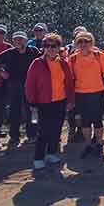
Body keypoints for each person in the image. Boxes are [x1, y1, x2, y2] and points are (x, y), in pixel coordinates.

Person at [25, 33, 75, 170]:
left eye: (54, 46)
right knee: (43, 131)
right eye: (47, 46)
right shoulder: (37, 63)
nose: (51, 48)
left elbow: (69, 84)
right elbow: (30, 85)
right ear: (43, 48)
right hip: (43, 102)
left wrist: (70, 100)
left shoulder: (63, 63)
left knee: (56, 129)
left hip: (60, 101)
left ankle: (51, 153)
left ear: (59, 47)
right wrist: (32, 102)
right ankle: (38, 157)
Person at [68, 31, 104, 159]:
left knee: (97, 120)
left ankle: (99, 144)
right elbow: (70, 78)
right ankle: (88, 145)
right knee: (84, 121)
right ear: (76, 43)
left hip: (97, 92)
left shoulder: (99, 55)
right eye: (80, 41)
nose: (84, 44)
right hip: (80, 93)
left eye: (87, 41)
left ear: (92, 42)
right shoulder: (73, 58)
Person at [0, 31, 40, 147]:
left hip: (30, 85)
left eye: (21, 39)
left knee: (31, 110)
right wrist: (1, 72)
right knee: (14, 111)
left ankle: (32, 135)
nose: (18, 41)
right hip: (13, 85)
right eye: (16, 39)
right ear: (13, 41)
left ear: (26, 40)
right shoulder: (8, 53)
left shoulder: (33, 51)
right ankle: (14, 136)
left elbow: (42, 62)